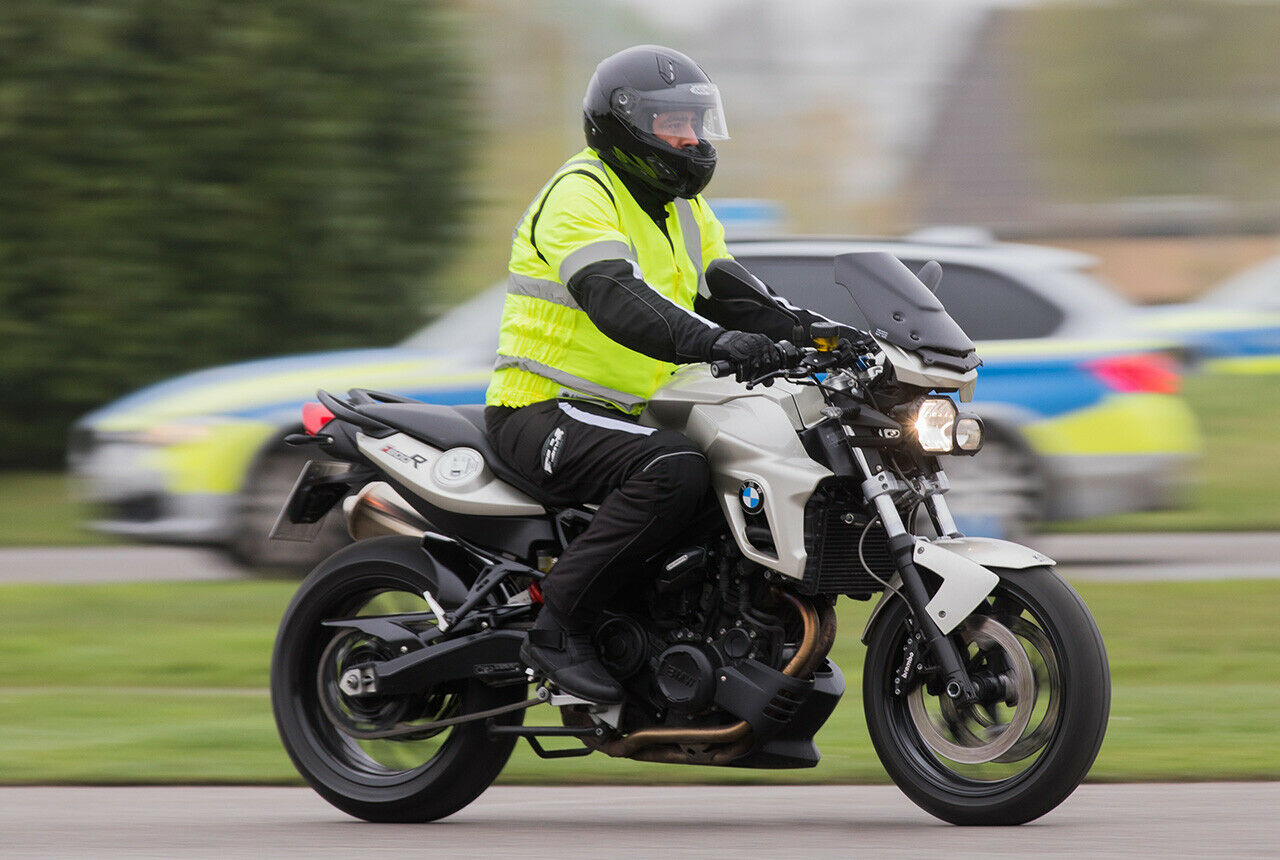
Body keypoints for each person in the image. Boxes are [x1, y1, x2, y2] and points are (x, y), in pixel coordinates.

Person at [485, 45, 848, 703]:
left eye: (696, 122)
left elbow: (736, 292)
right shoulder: (580, 193)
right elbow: (615, 296)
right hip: (541, 409)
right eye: (672, 123)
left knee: (737, 468)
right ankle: (557, 627)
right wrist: (718, 343)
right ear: (624, 125)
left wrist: (824, 335)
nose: (692, 139)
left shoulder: (681, 208)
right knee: (675, 466)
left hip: (624, 415)